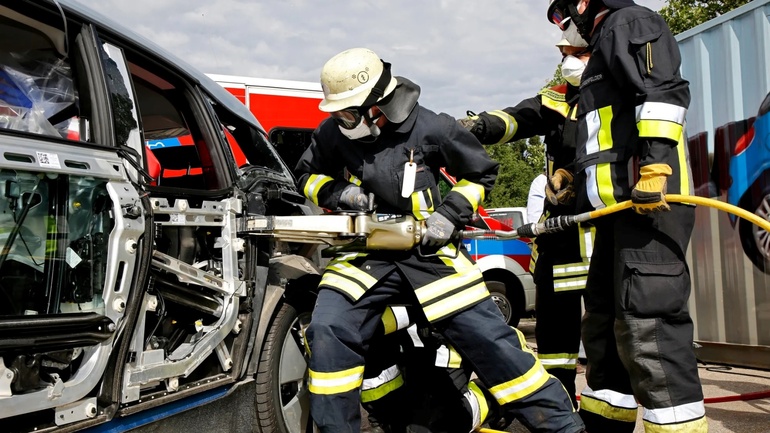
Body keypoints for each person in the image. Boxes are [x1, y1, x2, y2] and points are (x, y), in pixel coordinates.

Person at [295, 47, 584, 433]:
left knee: (492, 343)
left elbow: (481, 173)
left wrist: (449, 215)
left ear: (377, 104)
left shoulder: (433, 127)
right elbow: (307, 175)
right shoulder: (333, 132)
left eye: (348, 113)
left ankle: (563, 427)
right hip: (366, 255)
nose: (341, 122)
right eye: (338, 114)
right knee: (328, 328)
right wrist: (339, 193)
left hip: (432, 256)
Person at [545, 1, 706, 432]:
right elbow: (610, 138)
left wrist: (654, 169)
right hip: (615, 215)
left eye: (563, 18)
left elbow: (661, 93)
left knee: (650, 325)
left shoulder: (630, 23)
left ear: (583, 3)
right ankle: (604, 424)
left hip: (649, 206)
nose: (564, 30)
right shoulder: (602, 50)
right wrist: (575, 176)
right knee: (603, 325)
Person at [459, 36, 595, 410]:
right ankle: (559, 409)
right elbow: (517, 118)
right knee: (555, 343)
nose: (569, 62)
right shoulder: (557, 99)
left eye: (578, 53)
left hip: (605, 236)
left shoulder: (617, 98)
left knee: (609, 340)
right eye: (565, 54)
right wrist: (476, 126)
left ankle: (603, 412)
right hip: (561, 238)